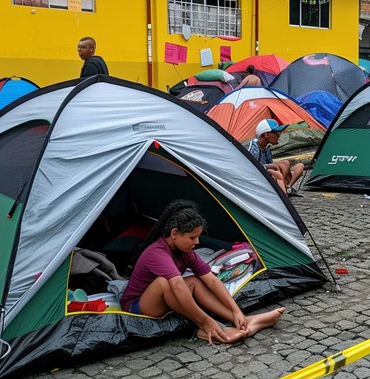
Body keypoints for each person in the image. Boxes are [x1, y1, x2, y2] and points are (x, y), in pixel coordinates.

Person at [120, 200, 285, 344]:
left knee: (193, 281)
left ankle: (241, 320)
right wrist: (206, 320)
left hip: (164, 298)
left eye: (198, 237)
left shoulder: (186, 252)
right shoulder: (157, 252)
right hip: (138, 305)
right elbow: (176, 285)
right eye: (192, 238)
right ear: (174, 233)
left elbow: (212, 280)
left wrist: (236, 310)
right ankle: (208, 326)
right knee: (166, 283)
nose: (197, 242)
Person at [247, 119, 305, 195]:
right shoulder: (254, 147)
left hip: (271, 175)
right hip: (261, 178)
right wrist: (274, 167)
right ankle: (282, 189)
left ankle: (288, 186)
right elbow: (252, 167)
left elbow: (270, 163)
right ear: (266, 135)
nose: (279, 136)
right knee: (285, 164)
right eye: (276, 133)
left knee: (299, 166)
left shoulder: (267, 147)